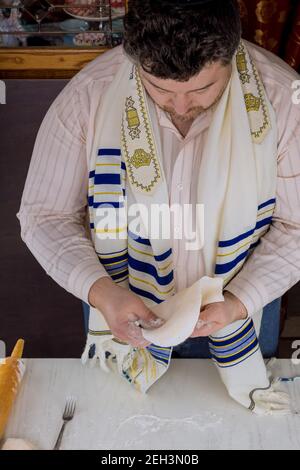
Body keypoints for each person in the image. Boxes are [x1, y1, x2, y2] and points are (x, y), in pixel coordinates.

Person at [17, 0, 300, 359]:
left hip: (240, 313)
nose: (180, 107)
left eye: (201, 89)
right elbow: (44, 217)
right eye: (161, 89)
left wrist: (237, 302)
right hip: (120, 310)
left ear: (232, 54)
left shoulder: (284, 100)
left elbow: (297, 226)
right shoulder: (88, 96)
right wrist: (102, 293)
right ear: (135, 61)